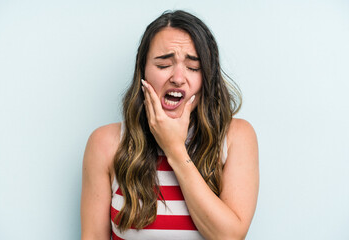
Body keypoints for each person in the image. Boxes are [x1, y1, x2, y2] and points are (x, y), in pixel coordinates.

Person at [81, 10, 259, 240]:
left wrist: (175, 149)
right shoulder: (105, 143)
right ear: (142, 71)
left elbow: (229, 237)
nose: (178, 77)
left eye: (193, 67)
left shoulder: (236, 137)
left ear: (207, 78)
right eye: (164, 64)